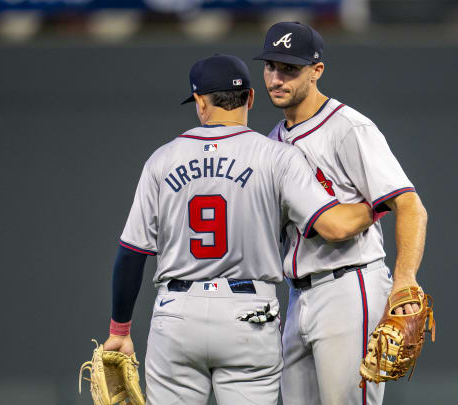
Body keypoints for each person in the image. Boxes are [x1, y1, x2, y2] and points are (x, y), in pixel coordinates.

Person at [100, 54, 375, 405]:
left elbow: (132, 254)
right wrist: (379, 204)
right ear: (250, 97)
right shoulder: (277, 156)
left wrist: (119, 331)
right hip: (249, 315)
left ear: (200, 102)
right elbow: (334, 226)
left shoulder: (162, 160)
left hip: (177, 311)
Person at [254, 22, 429, 405]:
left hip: (349, 286)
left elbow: (410, 205)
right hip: (298, 295)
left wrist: (404, 279)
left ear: (316, 71)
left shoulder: (349, 127)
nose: (276, 78)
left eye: (289, 69)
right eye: (270, 66)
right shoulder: (272, 141)